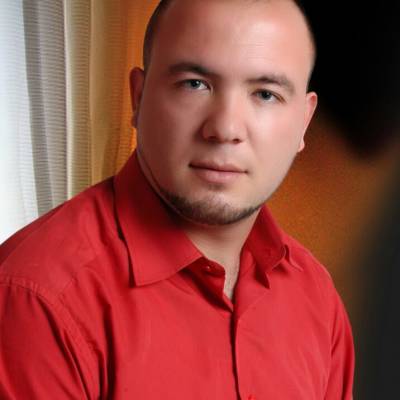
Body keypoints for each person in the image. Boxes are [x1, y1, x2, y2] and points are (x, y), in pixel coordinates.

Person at [0, 0, 355, 398]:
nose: (225, 128)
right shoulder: (36, 300)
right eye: (194, 84)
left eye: (265, 94)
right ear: (138, 98)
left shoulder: (317, 297)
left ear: (304, 121)